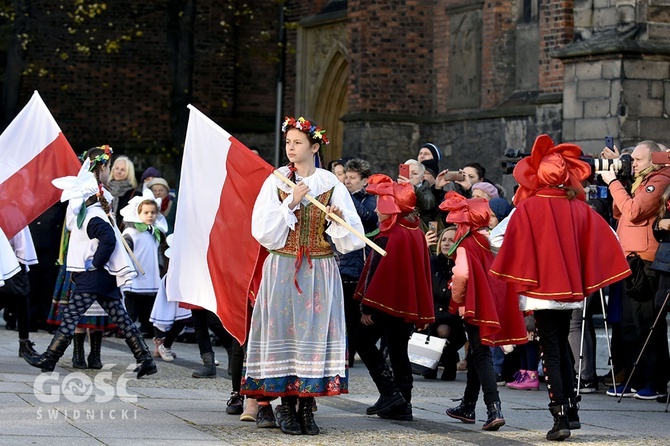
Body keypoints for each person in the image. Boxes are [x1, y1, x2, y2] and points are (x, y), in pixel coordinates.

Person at [490, 134, 631, 441]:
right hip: (571, 289)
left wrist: (528, 255)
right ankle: (572, 409)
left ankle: (560, 417)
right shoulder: (581, 208)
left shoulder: (526, 208)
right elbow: (611, 240)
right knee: (563, 345)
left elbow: (496, 238)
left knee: (550, 348)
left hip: (539, 287)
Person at [240, 116, 365, 436]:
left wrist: (337, 221)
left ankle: (307, 407)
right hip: (284, 267)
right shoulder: (278, 180)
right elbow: (263, 231)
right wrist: (290, 204)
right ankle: (285, 404)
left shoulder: (329, 183)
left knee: (313, 336)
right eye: (288, 143)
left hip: (320, 269)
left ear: (314, 146)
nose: (291, 148)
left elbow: (352, 239)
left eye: (297, 143)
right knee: (285, 332)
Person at [23, 146, 157, 379]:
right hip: (101, 275)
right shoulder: (94, 211)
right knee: (120, 317)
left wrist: (95, 263)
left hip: (94, 275)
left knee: (71, 316)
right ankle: (145, 359)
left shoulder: (93, 214)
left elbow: (107, 239)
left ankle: (50, 358)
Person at [440, 192, 526, 432]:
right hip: (495, 300)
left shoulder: (466, 244)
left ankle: (493, 407)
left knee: (481, 354)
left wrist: (456, 300)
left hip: (476, 304)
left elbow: (462, 275)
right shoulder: (489, 239)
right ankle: (468, 405)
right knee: (479, 352)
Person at [354, 174, 434, 421]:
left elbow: (377, 273)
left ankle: (390, 393)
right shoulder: (414, 230)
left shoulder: (391, 235)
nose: (377, 209)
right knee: (399, 350)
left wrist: (366, 306)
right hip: (405, 302)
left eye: (381, 203)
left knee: (362, 341)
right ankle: (403, 402)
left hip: (384, 302)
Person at [600, 140, 670, 401]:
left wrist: (612, 182)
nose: (634, 164)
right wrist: (623, 178)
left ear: (655, 159)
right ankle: (634, 377)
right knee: (629, 325)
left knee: (646, 323)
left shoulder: (660, 179)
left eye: (638, 160)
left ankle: (653, 381)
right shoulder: (642, 178)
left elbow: (635, 210)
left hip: (646, 261)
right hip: (630, 258)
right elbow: (620, 211)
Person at [340, 158, 378, 367]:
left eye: (353, 178)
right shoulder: (346, 196)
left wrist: (346, 198)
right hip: (343, 261)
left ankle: (352, 352)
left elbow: (367, 218)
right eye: (346, 177)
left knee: (354, 314)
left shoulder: (370, 199)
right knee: (344, 313)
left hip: (359, 263)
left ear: (365, 181)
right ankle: (345, 351)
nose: (347, 182)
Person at [121, 189, 166, 339]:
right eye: (146, 212)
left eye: (153, 213)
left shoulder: (155, 232)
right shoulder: (131, 233)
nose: (150, 216)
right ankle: (127, 328)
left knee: (149, 305)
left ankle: (147, 328)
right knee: (132, 304)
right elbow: (124, 253)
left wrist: (160, 268)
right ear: (137, 213)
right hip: (135, 276)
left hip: (151, 276)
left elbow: (158, 252)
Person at [423, 226, 466, 381]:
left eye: (451, 240)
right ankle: (431, 364)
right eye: (444, 240)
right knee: (433, 324)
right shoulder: (431, 262)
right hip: (431, 313)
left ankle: (449, 362)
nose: (447, 244)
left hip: (453, 317)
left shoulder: (460, 265)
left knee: (443, 329)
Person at [0, 227, 38, 359]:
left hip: (9, 260)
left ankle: (24, 343)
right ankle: (24, 344)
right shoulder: (12, 213)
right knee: (21, 301)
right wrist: (21, 262)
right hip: (12, 262)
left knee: (20, 301)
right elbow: (21, 243)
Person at [107, 155, 138, 228]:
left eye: (123, 170)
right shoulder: (104, 190)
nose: (119, 172)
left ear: (129, 173)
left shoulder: (135, 195)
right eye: (117, 168)